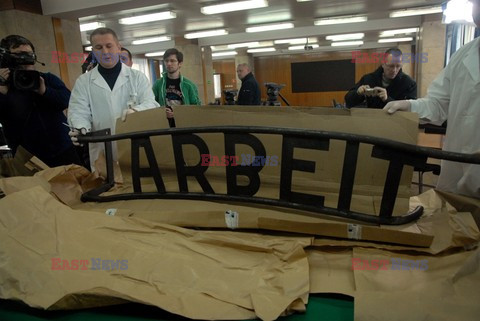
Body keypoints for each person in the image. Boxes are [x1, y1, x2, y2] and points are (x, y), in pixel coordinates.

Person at [384, 0, 480, 199]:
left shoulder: (407, 82)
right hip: (458, 176)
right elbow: (437, 104)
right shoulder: (463, 56)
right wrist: (409, 106)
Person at [68, 27, 159, 171]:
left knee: (137, 187)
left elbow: (151, 103)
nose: (105, 52)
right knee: (107, 189)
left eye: (109, 46)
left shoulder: (137, 77)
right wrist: (80, 127)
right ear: (93, 51)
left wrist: (137, 110)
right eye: (99, 47)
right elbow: (78, 110)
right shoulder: (83, 82)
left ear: (118, 47)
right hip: (101, 151)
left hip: (134, 146)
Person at [0, 35, 81, 167]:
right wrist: (3, 92)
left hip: (63, 150)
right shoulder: (4, 87)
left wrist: (44, 91)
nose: (25, 60)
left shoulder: (47, 79)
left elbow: (68, 100)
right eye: (19, 56)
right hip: (28, 158)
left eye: (29, 55)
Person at [345, 48, 417, 108]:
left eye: (398, 66)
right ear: (383, 63)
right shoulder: (368, 79)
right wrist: (358, 93)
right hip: (372, 121)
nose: (394, 70)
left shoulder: (409, 84)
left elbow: (411, 109)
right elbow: (348, 102)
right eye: (391, 66)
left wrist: (387, 99)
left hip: (396, 123)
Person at [152, 48, 201, 127]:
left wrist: (179, 113)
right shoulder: (158, 84)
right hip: (163, 125)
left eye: (172, 61)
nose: (169, 63)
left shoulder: (189, 85)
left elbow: (196, 107)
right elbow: (152, 104)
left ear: (180, 63)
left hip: (184, 125)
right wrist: (162, 112)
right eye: (166, 61)